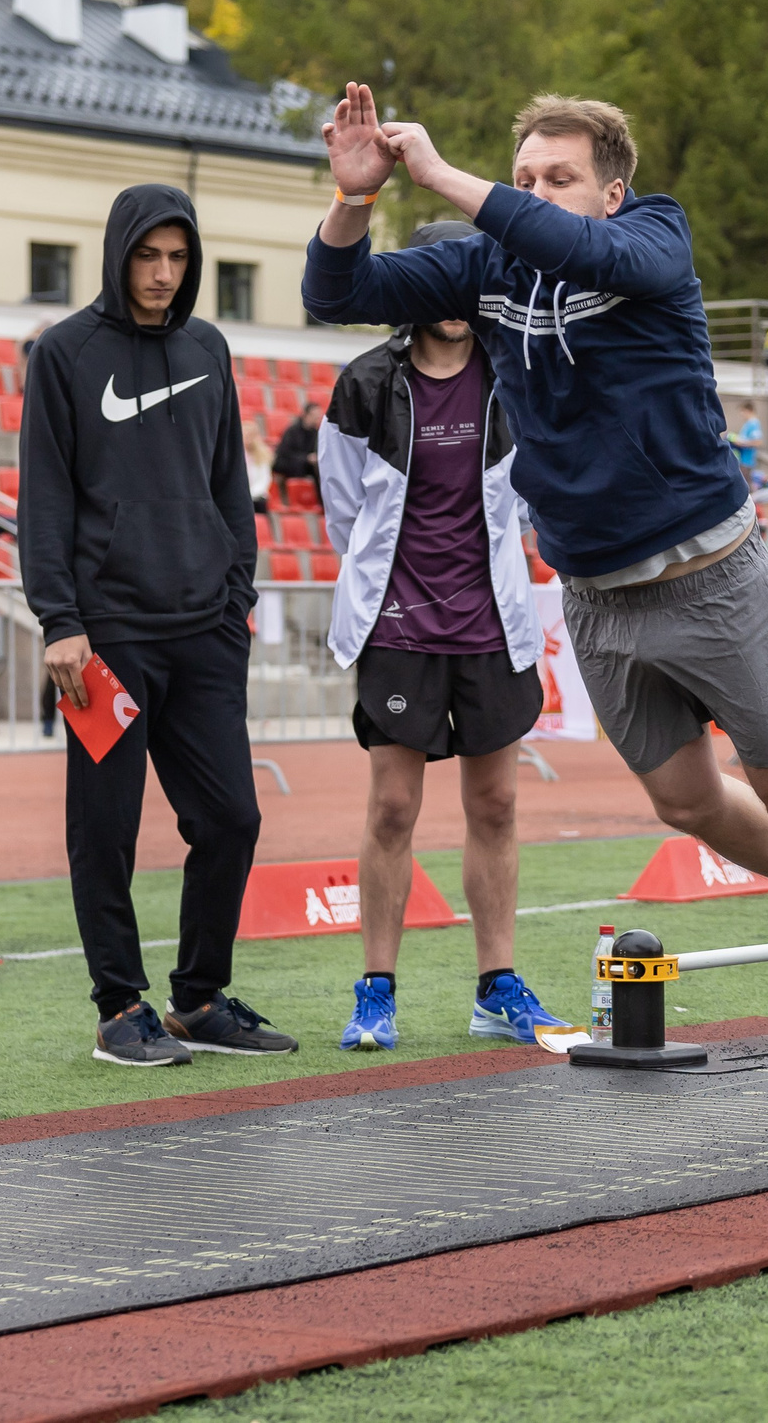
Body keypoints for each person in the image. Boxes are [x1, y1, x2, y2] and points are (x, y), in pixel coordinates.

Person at [303, 84, 768, 997]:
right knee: (683, 801)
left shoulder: (654, 236)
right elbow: (336, 293)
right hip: (599, 592)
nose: (536, 190)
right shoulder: (486, 267)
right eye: (526, 174)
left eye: (559, 177)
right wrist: (355, 198)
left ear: (612, 191)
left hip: (706, 570)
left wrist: (442, 174)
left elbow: (578, 249)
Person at [22, 181, 294, 1067]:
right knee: (107, 825)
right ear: (118, 253)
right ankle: (118, 1007)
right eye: (148, 256)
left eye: (178, 259)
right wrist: (61, 619)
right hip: (106, 638)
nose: (164, 275)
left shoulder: (208, 346)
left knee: (233, 819)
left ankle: (199, 998)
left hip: (204, 628)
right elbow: (45, 497)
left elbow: (228, 483)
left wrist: (236, 594)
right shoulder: (63, 353)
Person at [317, 258, 559, 1051]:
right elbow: (343, 511)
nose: (454, 307)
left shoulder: (510, 371)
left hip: (494, 630)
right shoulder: (365, 382)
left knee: (496, 806)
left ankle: (497, 988)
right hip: (398, 631)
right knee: (392, 809)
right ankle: (376, 992)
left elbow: (526, 494)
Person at [274, 398, 322, 483]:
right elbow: (285, 453)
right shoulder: (292, 431)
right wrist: (306, 458)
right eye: (314, 416)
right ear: (306, 415)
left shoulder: (315, 432)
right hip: (290, 462)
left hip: (306, 464)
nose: (317, 419)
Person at [240, 415, 275, 513]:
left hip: (256, 497)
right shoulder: (233, 453)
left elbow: (265, 479)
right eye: (244, 434)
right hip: (239, 496)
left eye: (250, 434)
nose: (247, 437)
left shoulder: (263, 455)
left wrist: (250, 494)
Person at [728, 402, 761, 475]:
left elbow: (757, 442)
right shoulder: (748, 424)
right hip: (742, 459)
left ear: (749, 410)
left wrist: (741, 443)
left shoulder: (754, 424)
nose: (741, 414)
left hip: (747, 461)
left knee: (746, 484)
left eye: (743, 411)